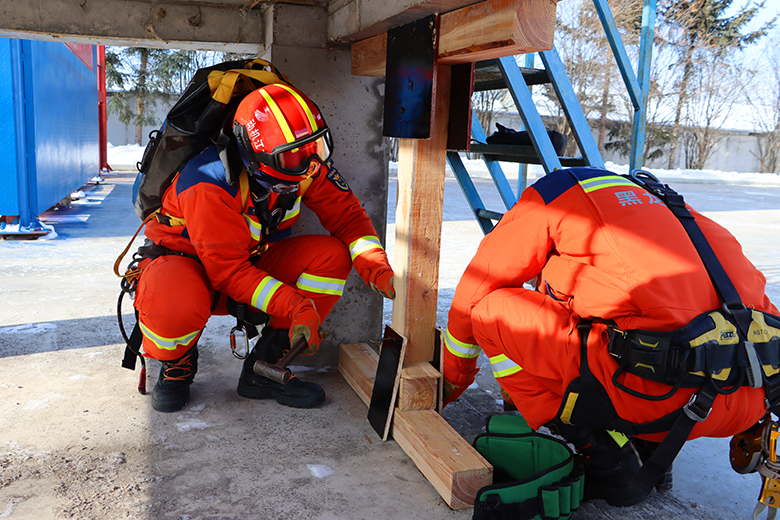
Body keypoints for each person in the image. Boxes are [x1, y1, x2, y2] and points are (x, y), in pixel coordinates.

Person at [441, 166, 779, 506]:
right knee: (653, 322)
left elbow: (472, 295)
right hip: (750, 400)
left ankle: (604, 451)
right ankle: (651, 448)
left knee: (489, 310)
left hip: (653, 401)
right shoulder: (674, 210)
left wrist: (450, 383)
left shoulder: (550, 200)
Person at [133, 83, 395, 413]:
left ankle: (266, 367)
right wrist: (297, 306)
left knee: (331, 256)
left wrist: (375, 264)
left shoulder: (303, 161)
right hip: (188, 267)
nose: (310, 166)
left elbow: (348, 216)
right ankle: (176, 362)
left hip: (247, 266)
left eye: (317, 148)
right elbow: (227, 272)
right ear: (254, 156)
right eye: (292, 157)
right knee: (174, 303)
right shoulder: (206, 182)